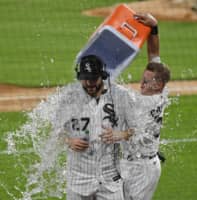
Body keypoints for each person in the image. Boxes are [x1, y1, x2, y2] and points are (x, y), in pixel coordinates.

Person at [101, 13, 170, 200]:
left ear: (158, 85)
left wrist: (118, 135)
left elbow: (135, 129)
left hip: (142, 171)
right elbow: (154, 55)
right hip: (131, 162)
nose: (141, 84)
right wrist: (153, 27)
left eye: (146, 81)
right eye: (143, 79)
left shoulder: (145, 102)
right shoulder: (161, 89)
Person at [54, 54, 138, 200]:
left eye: (93, 79)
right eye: (84, 79)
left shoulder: (121, 96)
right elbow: (55, 133)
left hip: (110, 180)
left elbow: (138, 129)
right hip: (78, 180)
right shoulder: (69, 99)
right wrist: (69, 141)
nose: (88, 83)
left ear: (103, 76)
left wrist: (121, 135)